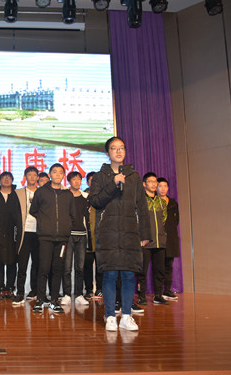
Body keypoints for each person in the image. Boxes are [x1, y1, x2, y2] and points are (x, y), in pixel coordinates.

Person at [89, 136, 151, 332]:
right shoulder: (100, 177)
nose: (118, 151)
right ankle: (109, 316)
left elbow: (142, 207)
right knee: (109, 274)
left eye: (121, 148)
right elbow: (95, 201)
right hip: (108, 232)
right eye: (114, 148)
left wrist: (144, 234)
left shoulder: (134, 177)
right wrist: (113, 183)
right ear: (107, 153)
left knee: (128, 275)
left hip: (130, 232)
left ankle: (126, 316)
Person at [29, 163, 77, 314]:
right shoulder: (41, 192)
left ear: (63, 175)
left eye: (60, 172)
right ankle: (40, 300)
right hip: (45, 237)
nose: (57, 175)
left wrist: (65, 226)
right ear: (49, 174)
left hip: (62, 239)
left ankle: (54, 300)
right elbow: (33, 210)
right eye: (54, 172)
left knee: (57, 269)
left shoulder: (68, 194)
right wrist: (45, 222)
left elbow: (72, 214)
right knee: (43, 268)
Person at [138, 172, 169, 306]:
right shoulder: (140, 201)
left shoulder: (161, 202)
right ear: (144, 184)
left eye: (155, 182)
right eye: (150, 182)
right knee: (142, 271)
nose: (154, 184)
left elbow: (164, 219)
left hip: (159, 241)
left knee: (159, 270)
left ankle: (158, 295)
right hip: (145, 242)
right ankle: (141, 296)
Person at [0, 171, 22, 300]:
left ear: (12, 180)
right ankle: (0, 288)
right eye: (4, 177)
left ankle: (10, 289)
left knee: (12, 262)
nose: (6, 179)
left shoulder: (17, 195)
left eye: (9, 178)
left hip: (12, 233)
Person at [61, 171, 90, 307]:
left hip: (82, 235)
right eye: (74, 179)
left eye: (79, 179)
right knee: (66, 267)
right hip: (68, 235)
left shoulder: (86, 197)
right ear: (69, 181)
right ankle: (67, 294)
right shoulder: (65, 196)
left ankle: (79, 294)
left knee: (80, 267)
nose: (77, 181)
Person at [13, 166, 40, 305]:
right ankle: (20, 293)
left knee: (37, 264)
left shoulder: (42, 192)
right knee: (22, 265)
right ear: (25, 177)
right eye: (29, 175)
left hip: (39, 233)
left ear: (38, 177)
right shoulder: (18, 193)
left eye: (34, 175)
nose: (32, 177)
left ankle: (35, 291)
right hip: (24, 233)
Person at [157, 177, 180, 301]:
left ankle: (167, 290)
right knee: (159, 266)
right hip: (158, 238)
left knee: (169, 266)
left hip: (171, 238)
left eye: (165, 186)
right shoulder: (154, 202)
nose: (163, 189)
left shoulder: (173, 203)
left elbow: (176, 220)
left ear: (168, 188)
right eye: (160, 186)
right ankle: (158, 292)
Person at [83, 171, 103, 300]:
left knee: (101, 266)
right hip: (87, 237)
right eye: (91, 180)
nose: (93, 182)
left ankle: (100, 289)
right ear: (87, 182)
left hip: (100, 238)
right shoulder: (83, 197)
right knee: (87, 266)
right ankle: (89, 289)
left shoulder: (103, 197)